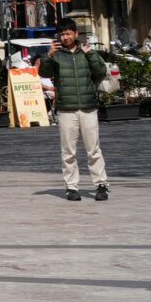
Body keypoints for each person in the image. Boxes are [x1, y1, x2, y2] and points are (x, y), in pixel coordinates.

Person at [40, 22, 111, 201]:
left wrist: (92, 54)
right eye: (62, 35)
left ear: (75, 33)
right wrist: (49, 55)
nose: (65, 37)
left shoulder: (86, 52)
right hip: (66, 109)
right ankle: (71, 187)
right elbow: (44, 72)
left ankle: (101, 185)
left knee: (93, 149)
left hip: (88, 106)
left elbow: (101, 71)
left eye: (68, 34)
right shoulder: (56, 55)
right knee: (68, 151)